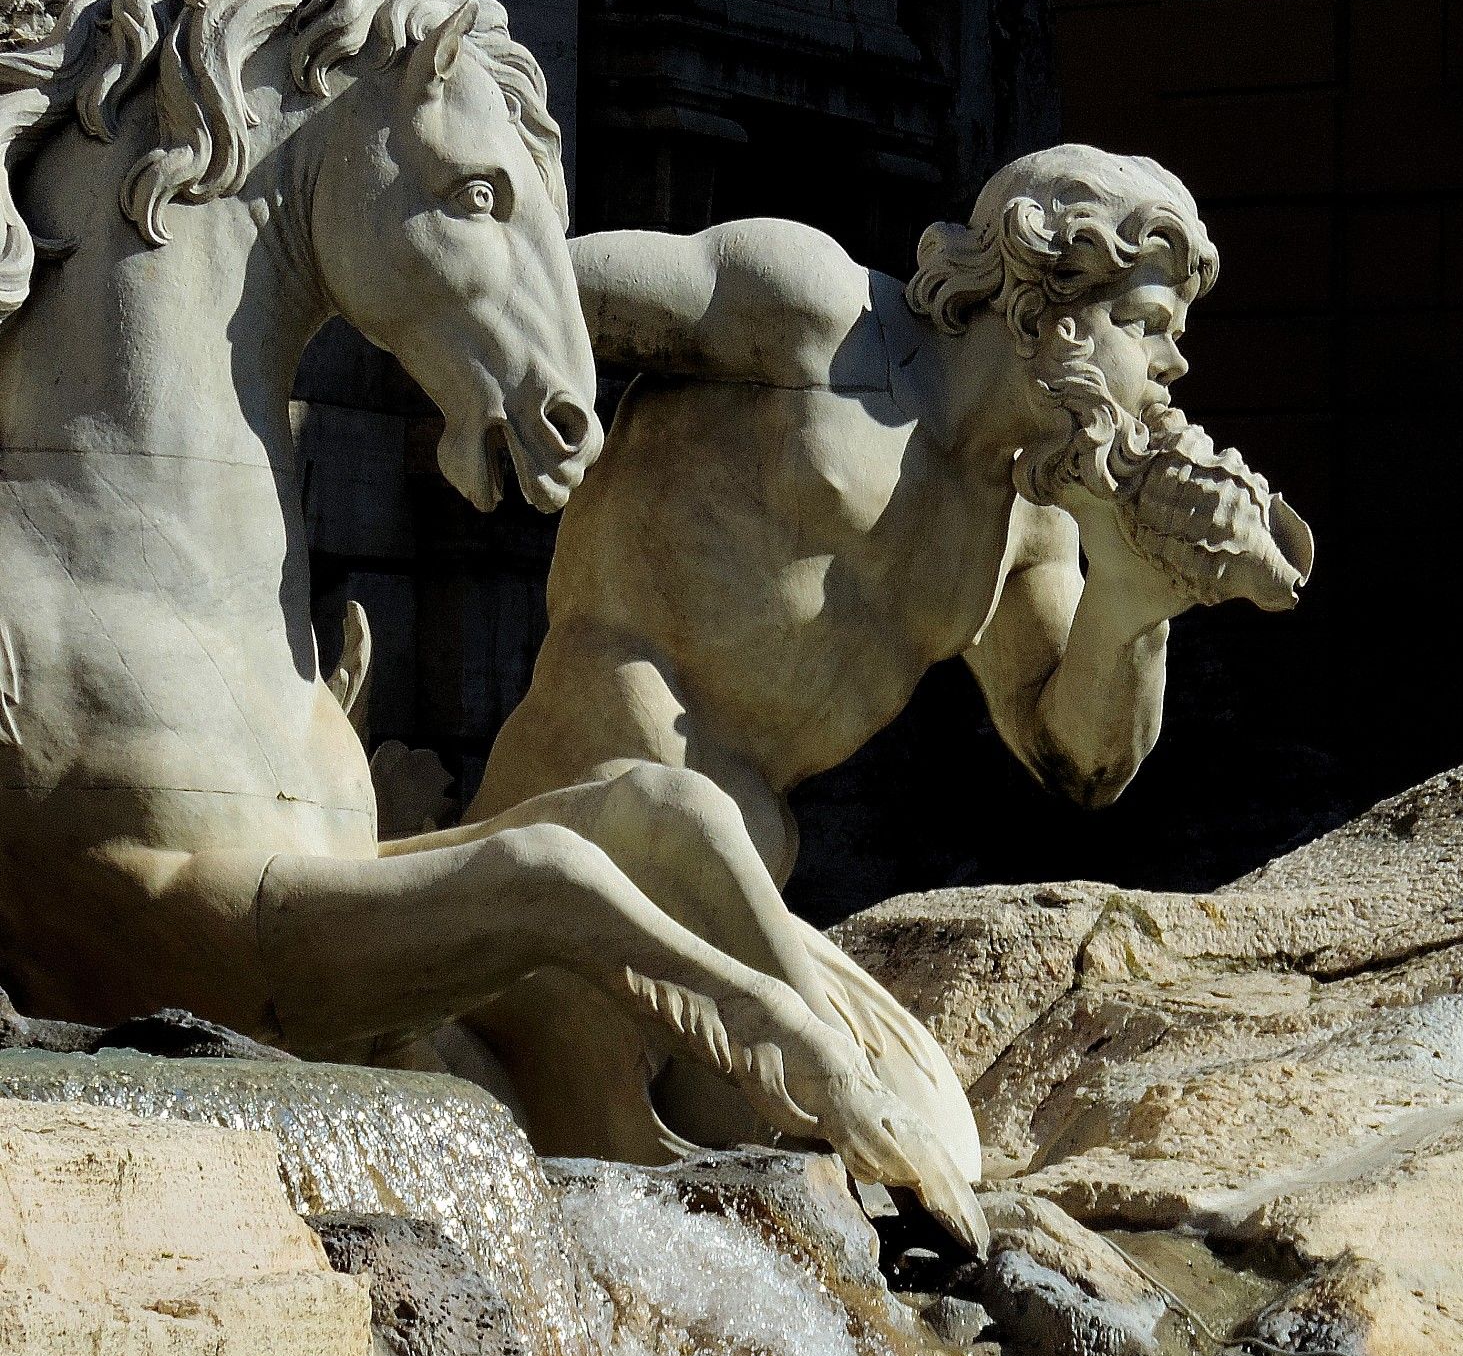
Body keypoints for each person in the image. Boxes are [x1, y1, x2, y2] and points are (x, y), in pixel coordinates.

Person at [454, 145, 1311, 1192]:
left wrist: (1134, 599)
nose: (1172, 367)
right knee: (755, 1147)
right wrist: (496, 412)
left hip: (744, 873)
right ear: (1041, 303)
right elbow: (531, 281)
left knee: (915, 1145)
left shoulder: (1026, 523)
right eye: (1146, 324)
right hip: (586, 809)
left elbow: (1084, 761)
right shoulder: (816, 316)